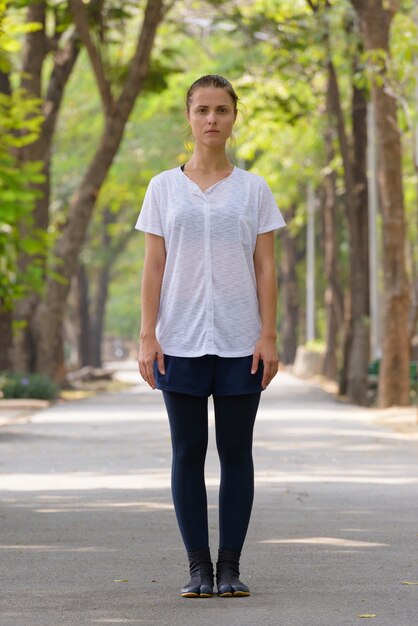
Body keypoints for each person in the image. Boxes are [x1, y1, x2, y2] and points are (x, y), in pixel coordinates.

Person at [135, 74, 285, 599]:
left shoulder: (254, 189)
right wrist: (147, 336)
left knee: (237, 452)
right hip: (178, 339)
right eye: (202, 110)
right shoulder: (162, 188)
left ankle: (230, 568)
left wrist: (268, 335)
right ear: (189, 117)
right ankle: (198, 568)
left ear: (234, 117)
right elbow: (154, 266)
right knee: (186, 452)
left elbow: (266, 268)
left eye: (222, 109)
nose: (212, 119)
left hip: (241, 340)